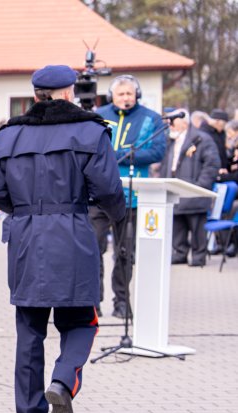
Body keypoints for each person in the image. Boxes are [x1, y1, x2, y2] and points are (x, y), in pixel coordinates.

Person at [0, 65, 124, 413]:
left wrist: (27, 210)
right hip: (74, 235)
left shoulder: (8, 136)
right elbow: (109, 190)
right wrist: (117, 218)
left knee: (29, 329)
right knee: (82, 320)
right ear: (69, 94)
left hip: (26, 238)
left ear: (35, 96)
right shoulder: (92, 132)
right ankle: (63, 381)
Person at [94, 75, 166, 319]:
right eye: (120, 94)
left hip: (131, 198)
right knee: (93, 248)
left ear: (137, 95)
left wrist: (119, 155)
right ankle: (93, 302)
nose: (125, 98)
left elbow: (157, 151)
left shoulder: (151, 118)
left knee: (125, 253)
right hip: (98, 194)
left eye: (129, 94)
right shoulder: (98, 114)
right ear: (111, 96)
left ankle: (122, 302)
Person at [159, 110, 220, 267]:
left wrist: (200, 186)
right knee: (178, 224)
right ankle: (180, 253)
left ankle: (199, 256)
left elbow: (212, 164)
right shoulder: (170, 140)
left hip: (194, 191)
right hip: (175, 190)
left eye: (174, 122)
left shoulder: (202, 139)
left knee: (197, 226)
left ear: (184, 122)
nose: (170, 125)